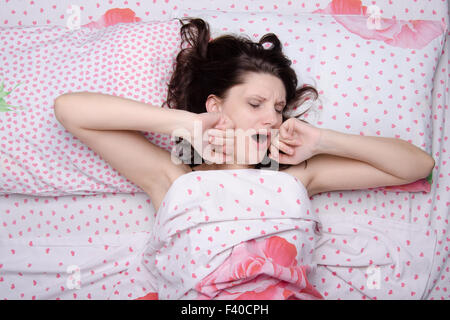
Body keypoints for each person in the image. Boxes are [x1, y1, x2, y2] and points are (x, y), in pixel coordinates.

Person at [53, 18, 435, 299]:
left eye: (279, 108)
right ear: (215, 105)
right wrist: (185, 123)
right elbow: (70, 109)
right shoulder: (174, 178)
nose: (272, 117)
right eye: (255, 104)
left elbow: (417, 166)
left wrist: (322, 141)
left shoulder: (295, 177)